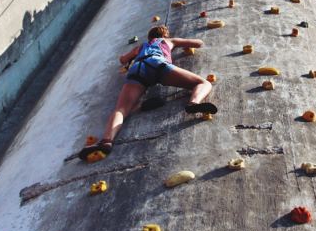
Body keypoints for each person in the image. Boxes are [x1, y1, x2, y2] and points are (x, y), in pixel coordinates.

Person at [78, 25, 216, 160]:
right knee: (202, 83)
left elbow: (123, 60)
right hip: (158, 64)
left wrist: (125, 57)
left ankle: (106, 141)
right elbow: (199, 43)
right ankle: (193, 103)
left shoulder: (139, 47)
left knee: (121, 109)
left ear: (149, 37)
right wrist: (183, 45)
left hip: (137, 68)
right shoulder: (168, 41)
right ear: (164, 35)